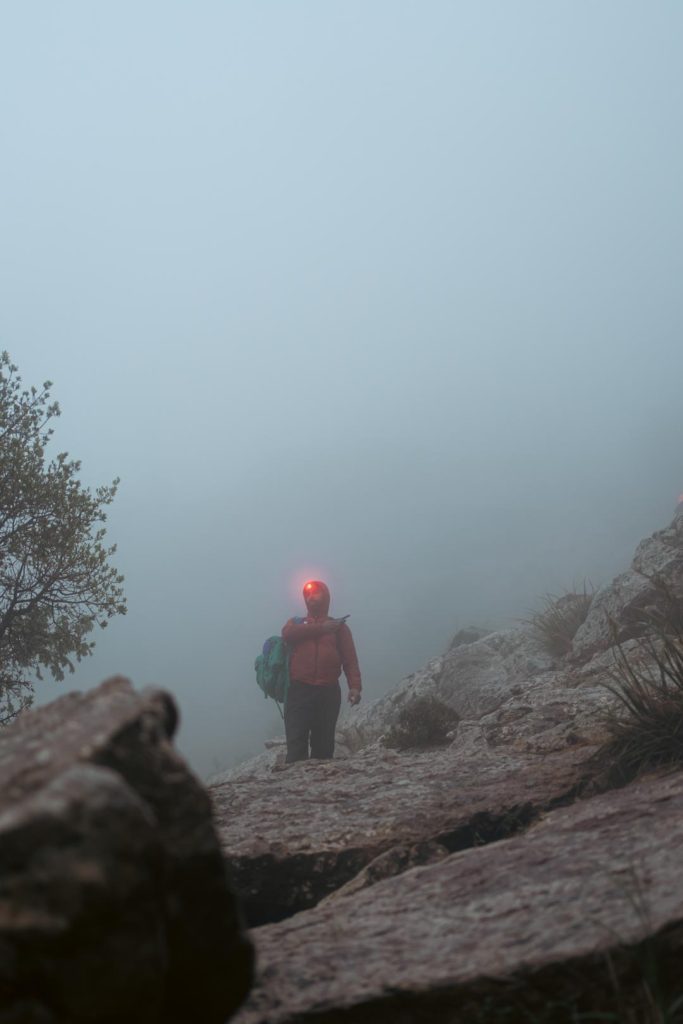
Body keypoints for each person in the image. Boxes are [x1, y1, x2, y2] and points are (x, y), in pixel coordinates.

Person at [281, 579, 361, 763]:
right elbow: (287, 634)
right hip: (298, 690)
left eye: (316, 593)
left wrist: (355, 687)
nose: (311, 597)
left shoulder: (339, 628)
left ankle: (319, 781)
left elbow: (350, 660)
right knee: (296, 745)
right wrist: (321, 628)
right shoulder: (296, 623)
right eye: (307, 594)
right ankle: (296, 780)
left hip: (328, 692)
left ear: (326, 597)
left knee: (323, 747)